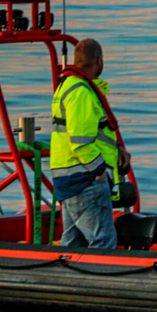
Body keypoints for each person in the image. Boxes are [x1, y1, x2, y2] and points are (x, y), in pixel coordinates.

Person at [50, 38, 131, 249]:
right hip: (85, 179)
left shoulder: (67, 86)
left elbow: (89, 132)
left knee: (73, 244)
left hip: (69, 177)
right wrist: (99, 171)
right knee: (103, 242)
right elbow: (81, 142)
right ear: (99, 61)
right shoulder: (82, 93)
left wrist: (116, 150)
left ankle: (65, 279)